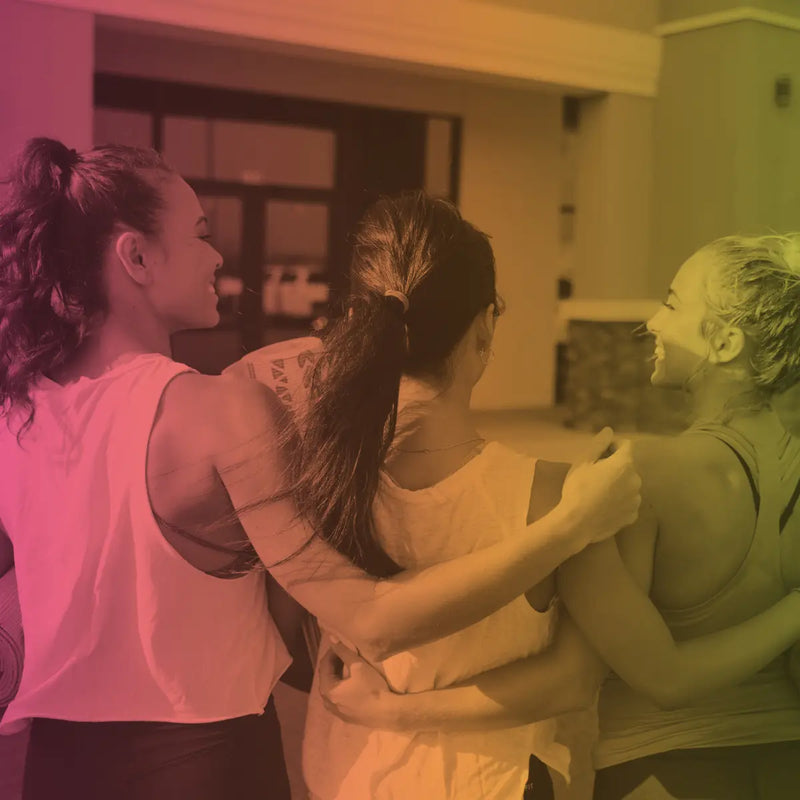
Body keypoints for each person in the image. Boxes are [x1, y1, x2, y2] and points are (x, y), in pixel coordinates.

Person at [0, 139, 640, 800]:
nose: (217, 255)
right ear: (135, 257)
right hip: (200, 762)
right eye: (199, 233)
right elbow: (371, 619)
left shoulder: (19, 415)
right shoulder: (219, 412)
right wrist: (571, 526)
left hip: (57, 767)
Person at [311, 210, 800, 800]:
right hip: (761, 759)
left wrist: (389, 710)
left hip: (361, 773)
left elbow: (642, 676)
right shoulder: (572, 491)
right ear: (484, 331)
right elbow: (574, 679)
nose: (650, 321)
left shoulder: (316, 473)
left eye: (670, 303)